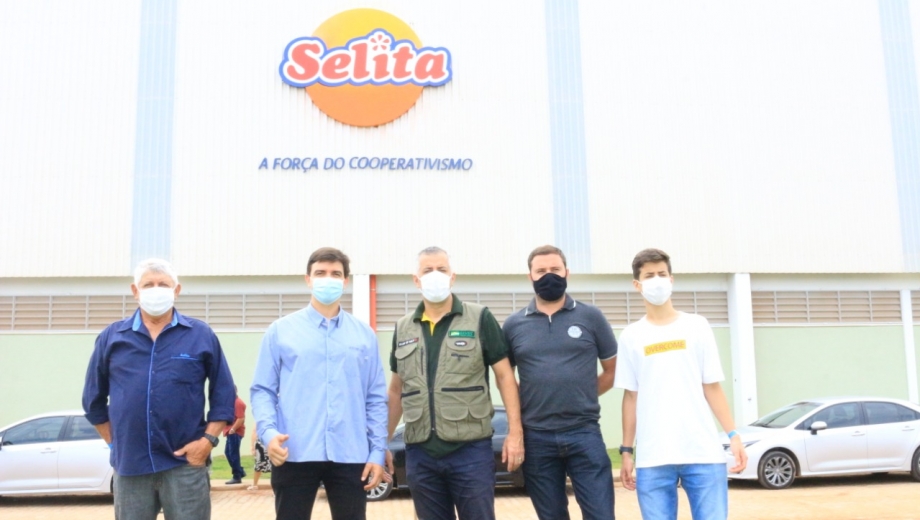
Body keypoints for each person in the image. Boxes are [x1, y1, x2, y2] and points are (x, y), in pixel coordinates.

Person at [82, 258, 236, 520]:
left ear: (177, 290)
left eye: (163, 284)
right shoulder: (112, 337)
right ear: (135, 291)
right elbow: (92, 400)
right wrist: (115, 443)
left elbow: (224, 394)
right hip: (131, 467)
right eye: (148, 284)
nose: (156, 290)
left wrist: (207, 442)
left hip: (185, 464)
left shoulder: (200, 334)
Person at [386, 246, 524, 520]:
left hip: (470, 451)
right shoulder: (403, 327)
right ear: (416, 280)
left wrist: (515, 433)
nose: (435, 275)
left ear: (452, 277)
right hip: (421, 453)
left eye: (441, 269)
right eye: (427, 270)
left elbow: (505, 376)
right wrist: (382, 443)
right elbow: (396, 390)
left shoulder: (479, 317)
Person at [251, 247, 388, 520]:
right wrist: (268, 433)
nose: (328, 279)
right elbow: (263, 390)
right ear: (308, 279)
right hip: (294, 451)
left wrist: (377, 451)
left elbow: (375, 398)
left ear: (345, 281)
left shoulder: (364, 335)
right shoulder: (280, 331)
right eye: (320, 273)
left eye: (335, 274)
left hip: (351, 454)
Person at [616, 248, 748, 520]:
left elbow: (712, 386)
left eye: (662, 274)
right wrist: (626, 451)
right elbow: (631, 396)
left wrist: (733, 435)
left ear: (671, 279)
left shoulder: (697, 326)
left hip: (703, 453)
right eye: (649, 276)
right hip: (653, 457)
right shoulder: (631, 335)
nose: (657, 280)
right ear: (637, 284)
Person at [502, 245, 618, 520]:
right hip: (536, 437)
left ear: (567, 272)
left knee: (601, 515)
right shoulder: (513, 324)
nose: (548, 276)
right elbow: (505, 377)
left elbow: (612, 371)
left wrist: (581, 394)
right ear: (530, 276)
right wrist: (516, 430)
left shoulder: (591, 317)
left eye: (555, 269)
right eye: (541, 271)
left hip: (584, 432)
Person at [223, 386, 247, 485]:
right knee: (228, 453)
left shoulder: (238, 403)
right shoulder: (232, 402)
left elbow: (241, 418)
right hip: (230, 432)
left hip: (235, 432)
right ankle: (240, 472)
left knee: (233, 454)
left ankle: (237, 476)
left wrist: (233, 429)